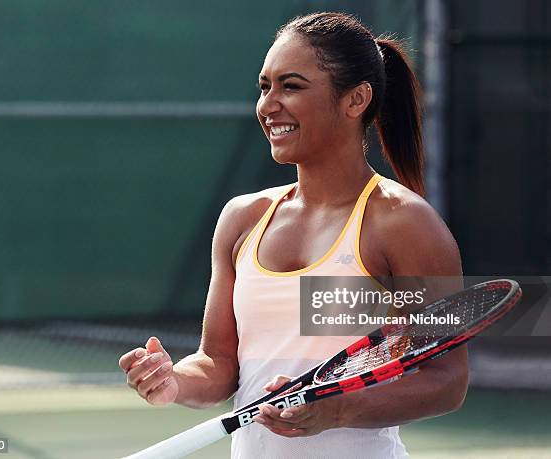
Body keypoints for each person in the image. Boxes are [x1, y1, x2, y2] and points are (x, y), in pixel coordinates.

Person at [119, 12, 467, 458]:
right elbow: (220, 364)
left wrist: (335, 410)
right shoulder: (242, 219)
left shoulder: (404, 223)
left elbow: (446, 379)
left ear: (356, 99)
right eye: (265, 86)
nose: (268, 105)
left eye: (292, 86)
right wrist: (174, 381)